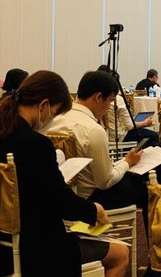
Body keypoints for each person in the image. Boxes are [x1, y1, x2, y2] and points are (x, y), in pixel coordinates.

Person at [0, 71, 128, 277]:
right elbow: (61, 202)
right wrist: (93, 210)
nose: (51, 121)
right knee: (120, 254)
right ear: (44, 106)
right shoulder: (35, 144)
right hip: (37, 247)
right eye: (54, 114)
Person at [45, 71, 151, 225]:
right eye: (110, 101)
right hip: (90, 199)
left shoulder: (55, 120)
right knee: (147, 189)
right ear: (99, 97)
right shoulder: (93, 130)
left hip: (60, 196)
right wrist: (127, 162)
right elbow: (105, 181)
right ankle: (151, 239)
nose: (108, 108)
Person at [98, 65, 160, 147]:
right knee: (154, 135)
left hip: (107, 136)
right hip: (121, 136)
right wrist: (145, 123)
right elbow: (130, 126)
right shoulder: (117, 100)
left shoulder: (98, 100)